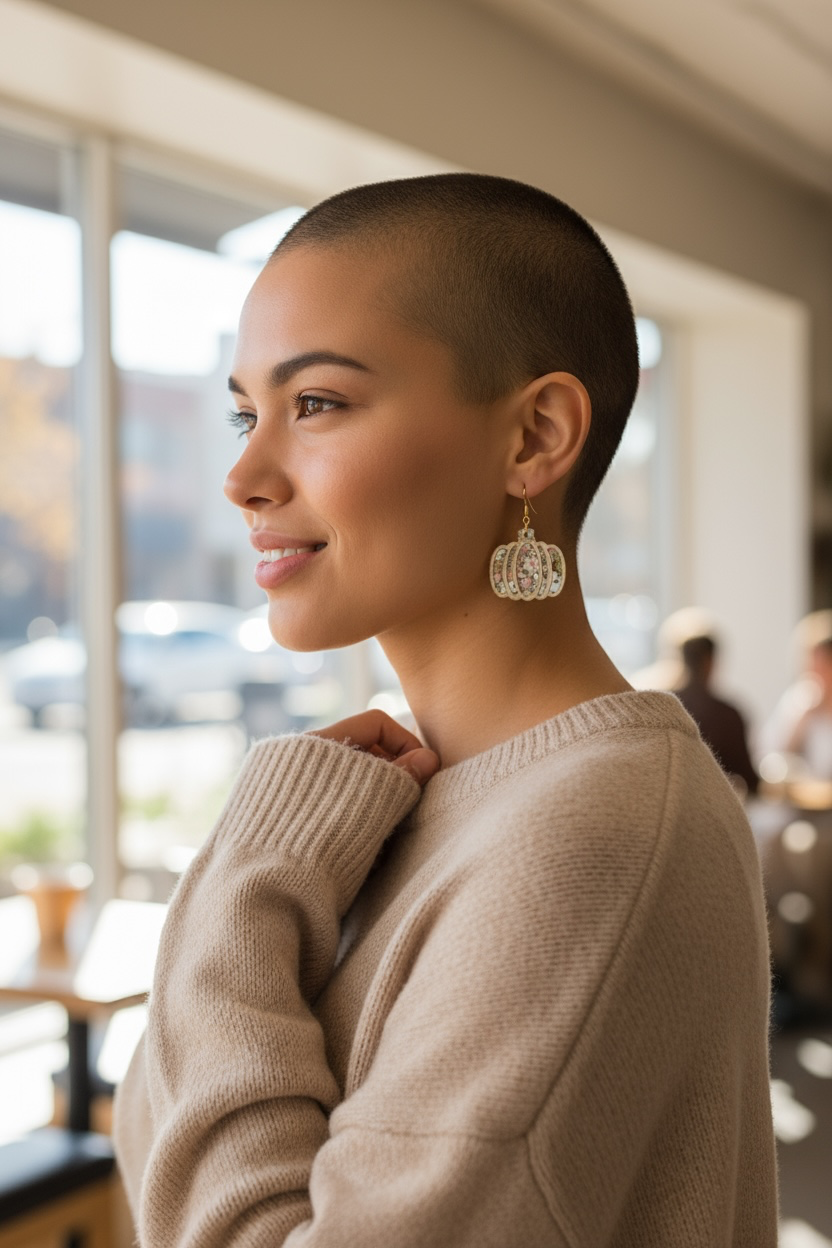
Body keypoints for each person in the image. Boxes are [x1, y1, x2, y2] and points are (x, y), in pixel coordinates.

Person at [113, 174, 777, 1246]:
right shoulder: (444, 797)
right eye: (245, 411)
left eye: (316, 403)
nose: (242, 473)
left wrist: (244, 885)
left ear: (532, 439)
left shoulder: (590, 835)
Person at [674, 631, 760, 797]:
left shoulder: (667, 707)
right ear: (711, 662)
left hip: (674, 802)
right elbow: (749, 779)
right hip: (714, 807)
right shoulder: (729, 715)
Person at [762, 609, 832, 779]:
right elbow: (770, 759)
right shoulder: (799, 700)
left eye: (821, 664)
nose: (814, 672)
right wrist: (801, 718)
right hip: (805, 801)